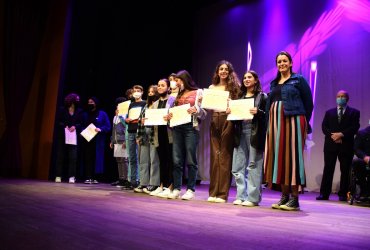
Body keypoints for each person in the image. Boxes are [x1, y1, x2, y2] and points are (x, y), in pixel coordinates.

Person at [264, 51, 313, 211]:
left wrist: (303, 121)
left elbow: (308, 102)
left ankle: (295, 198)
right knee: (280, 158)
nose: (282, 64)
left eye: (285, 61)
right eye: (279, 62)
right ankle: (284, 197)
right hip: (276, 124)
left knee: (293, 158)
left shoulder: (298, 80)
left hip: (294, 120)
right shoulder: (274, 83)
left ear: (291, 63)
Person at [166, 70, 206, 200]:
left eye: (178, 81)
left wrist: (197, 110)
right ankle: (177, 188)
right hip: (177, 128)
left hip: (190, 128)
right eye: (175, 81)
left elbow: (204, 113)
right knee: (177, 160)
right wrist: (169, 116)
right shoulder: (176, 95)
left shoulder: (198, 92)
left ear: (185, 80)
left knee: (190, 160)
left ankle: (190, 189)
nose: (176, 83)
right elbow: (171, 112)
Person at [230, 70, 267, 206]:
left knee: (253, 165)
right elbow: (235, 119)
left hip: (254, 132)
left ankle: (252, 198)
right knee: (237, 165)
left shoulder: (262, 97)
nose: (246, 79)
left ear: (256, 80)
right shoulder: (239, 98)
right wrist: (231, 113)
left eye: (249, 77)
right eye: (244, 77)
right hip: (240, 132)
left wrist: (259, 112)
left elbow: (267, 116)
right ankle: (240, 195)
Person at [316, 90, 360, 201]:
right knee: (328, 169)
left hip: (346, 145)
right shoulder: (329, 112)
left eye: (343, 96)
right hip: (331, 145)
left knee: (345, 171)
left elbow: (355, 127)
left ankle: (343, 194)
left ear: (347, 99)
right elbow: (324, 127)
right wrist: (334, 136)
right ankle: (324, 194)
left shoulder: (354, 112)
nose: (340, 98)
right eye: (338, 96)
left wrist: (342, 135)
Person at [207, 60, 241, 203]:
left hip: (228, 119)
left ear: (229, 72)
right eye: (221, 69)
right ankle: (213, 192)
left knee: (225, 157)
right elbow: (208, 107)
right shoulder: (212, 87)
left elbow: (238, 105)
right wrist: (204, 101)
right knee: (215, 156)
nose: (223, 71)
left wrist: (231, 110)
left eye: (226, 69)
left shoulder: (234, 87)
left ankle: (222, 194)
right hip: (215, 118)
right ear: (217, 71)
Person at [150, 78, 176, 198]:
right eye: (158, 85)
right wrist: (147, 120)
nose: (160, 87)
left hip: (169, 134)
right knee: (162, 161)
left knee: (170, 161)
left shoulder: (173, 100)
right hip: (158, 134)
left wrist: (171, 117)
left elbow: (176, 116)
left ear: (168, 88)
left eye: (162, 85)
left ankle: (170, 186)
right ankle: (161, 185)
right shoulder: (154, 104)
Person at [134, 85, 160, 193]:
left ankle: (154, 183)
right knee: (143, 160)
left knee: (154, 160)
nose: (150, 94)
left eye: (153, 92)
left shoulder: (158, 105)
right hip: (144, 134)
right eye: (149, 92)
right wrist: (138, 136)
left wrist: (149, 121)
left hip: (154, 134)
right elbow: (140, 122)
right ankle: (143, 183)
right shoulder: (146, 106)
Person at [54, 93, 83, 183]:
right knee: (60, 156)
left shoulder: (79, 111)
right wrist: (65, 126)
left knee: (73, 157)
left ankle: (71, 176)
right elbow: (58, 122)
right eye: (76, 99)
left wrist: (75, 126)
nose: (78, 101)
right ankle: (58, 175)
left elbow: (81, 123)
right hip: (63, 136)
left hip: (73, 137)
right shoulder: (62, 110)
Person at [82, 97, 111, 184]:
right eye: (89, 102)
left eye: (92, 102)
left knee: (97, 158)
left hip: (98, 140)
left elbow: (108, 126)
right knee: (88, 158)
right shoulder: (85, 114)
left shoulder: (102, 114)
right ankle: (88, 176)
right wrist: (82, 130)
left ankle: (95, 177)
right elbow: (81, 125)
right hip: (87, 139)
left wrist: (100, 129)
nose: (90, 104)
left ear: (96, 103)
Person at [125, 85, 146, 188]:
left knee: (141, 158)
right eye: (135, 91)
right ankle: (133, 181)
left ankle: (142, 181)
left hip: (140, 132)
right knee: (132, 157)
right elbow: (128, 117)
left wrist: (137, 119)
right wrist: (127, 119)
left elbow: (145, 118)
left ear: (142, 92)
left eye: (138, 91)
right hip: (130, 131)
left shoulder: (144, 103)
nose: (136, 92)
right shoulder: (131, 104)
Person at [110, 97, 129, 188]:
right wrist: (112, 141)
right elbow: (113, 130)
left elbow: (126, 129)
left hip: (123, 141)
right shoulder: (115, 117)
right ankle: (121, 178)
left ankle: (125, 179)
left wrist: (126, 140)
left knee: (124, 160)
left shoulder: (125, 116)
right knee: (119, 160)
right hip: (116, 141)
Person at [352, 125, 370, 200]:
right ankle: (364, 191)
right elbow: (357, 149)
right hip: (365, 160)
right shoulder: (362, 133)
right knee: (356, 162)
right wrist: (364, 157)